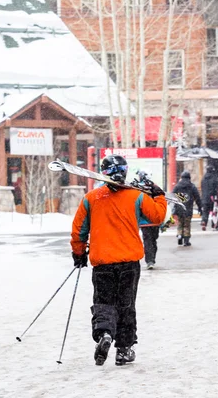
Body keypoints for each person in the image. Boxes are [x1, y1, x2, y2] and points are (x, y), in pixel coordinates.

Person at [71, 154, 167, 367]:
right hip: (129, 263)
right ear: (125, 172)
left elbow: (79, 230)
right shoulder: (137, 197)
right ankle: (124, 349)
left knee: (104, 302)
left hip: (103, 262)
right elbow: (158, 217)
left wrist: (79, 253)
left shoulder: (91, 199)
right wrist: (158, 195)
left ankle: (105, 332)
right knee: (126, 305)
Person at [172, 171, 202, 246]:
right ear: (189, 178)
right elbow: (197, 197)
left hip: (179, 208)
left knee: (180, 223)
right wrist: (200, 207)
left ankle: (179, 235)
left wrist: (173, 207)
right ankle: (186, 240)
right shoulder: (192, 186)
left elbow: (172, 196)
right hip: (188, 208)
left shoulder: (177, 186)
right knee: (187, 225)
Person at [200, 163, 218, 230]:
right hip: (212, 198)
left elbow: (202, 188)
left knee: (205, 211)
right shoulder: (214, 178)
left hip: (205, 198)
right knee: (214, 211)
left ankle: (204, 221)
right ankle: (214, 224)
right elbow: (217, 188)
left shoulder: (203, 179)